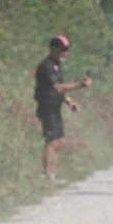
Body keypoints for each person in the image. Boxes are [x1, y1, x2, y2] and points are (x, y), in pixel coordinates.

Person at [34, 34, 90, 180]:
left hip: (55, 107)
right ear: (53, 49)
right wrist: (80, 85)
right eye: (62, 49)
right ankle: (48, 175)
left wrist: (69, 102)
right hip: (47, 107)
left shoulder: (56, 65)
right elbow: (57, 87)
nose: (65, 53)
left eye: (66, 50)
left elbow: (61, 90)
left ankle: (52, 173)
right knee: (52, 141)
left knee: (59, 141)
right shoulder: (46, 66)